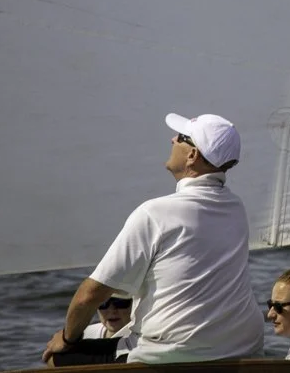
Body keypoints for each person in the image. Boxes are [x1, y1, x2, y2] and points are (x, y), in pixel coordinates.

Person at [41, 113, 265, 365]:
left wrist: (67, 339)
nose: (172, 139)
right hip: (243, 344)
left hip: (172, 352)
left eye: (180, 137)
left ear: (192, 155)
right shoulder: (236, 208)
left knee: (56, 358)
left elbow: (90, 294)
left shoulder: (154, 213)